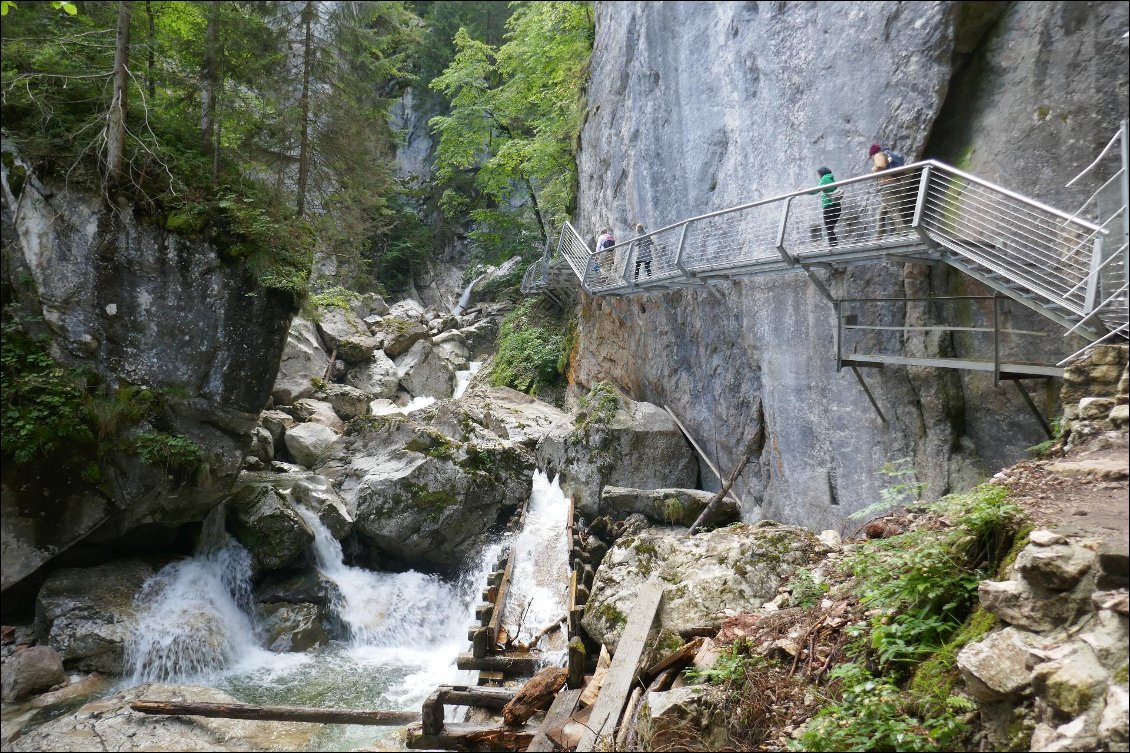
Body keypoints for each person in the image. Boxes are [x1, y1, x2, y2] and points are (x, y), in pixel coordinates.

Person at [869, 143, 908, 238]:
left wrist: (873, 169)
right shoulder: (888, 155)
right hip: (895, 184)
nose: (871, 159)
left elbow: (881, 165)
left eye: (870, 157)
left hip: (887, 186)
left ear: (872, 154)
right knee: (881, 213)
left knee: (892, 210)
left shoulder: (878, 155)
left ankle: (903, 232)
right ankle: (878, 237)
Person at [812, 167, 842, 247]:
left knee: (829, 228)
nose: (818, 176)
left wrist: (803, 191)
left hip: (829, 207)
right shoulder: (831, 178)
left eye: (819, 174)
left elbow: (815, 190)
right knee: (831, 228)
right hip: (837, 207)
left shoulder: (824, 179)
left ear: (821, 173)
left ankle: (833, 247)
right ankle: (834, 245)